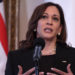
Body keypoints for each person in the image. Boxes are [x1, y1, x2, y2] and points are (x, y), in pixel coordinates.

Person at [5, 2, 75, 75]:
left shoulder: (73, 56)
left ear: (60, 28)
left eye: (55, 18)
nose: (49, 22)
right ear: (35, 25)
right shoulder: (15, 58)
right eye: (44, 17)